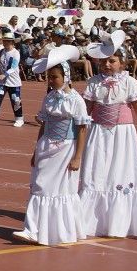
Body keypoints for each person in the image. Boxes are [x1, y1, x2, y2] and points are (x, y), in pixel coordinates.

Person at [79, 30, 137, 238]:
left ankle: (119, 221)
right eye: (104, 61)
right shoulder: (93, 83)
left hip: (123, 135)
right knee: (96, 171)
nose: (107, 65)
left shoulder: (129, 82)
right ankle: (91, 221)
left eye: (112, 61)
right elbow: (85, 111)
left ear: (122, 63)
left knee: (121, 171)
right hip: (98, 133)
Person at [14, 46, 89, 245]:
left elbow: (81, 129)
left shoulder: (76, 100)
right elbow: (45, 124)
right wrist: (36, 149)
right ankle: (34, 228)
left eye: (54, 77)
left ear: (65, 76)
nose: (51, 81)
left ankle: (55, 230)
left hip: (65, 148)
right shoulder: (49, 97)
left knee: (58, 188)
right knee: (39, 184)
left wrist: (77, 157)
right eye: (49, 77)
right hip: (47, 145)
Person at [0, 29, 25, 127]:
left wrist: (4, 74)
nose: (4, 42)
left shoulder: (15, 53)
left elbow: (13, 67)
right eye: (4, 40)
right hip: (1, 82)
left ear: (12, 42)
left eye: (7, 40)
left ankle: (19, 118)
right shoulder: (1, 51)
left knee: (15, 100)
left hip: (13, 81)